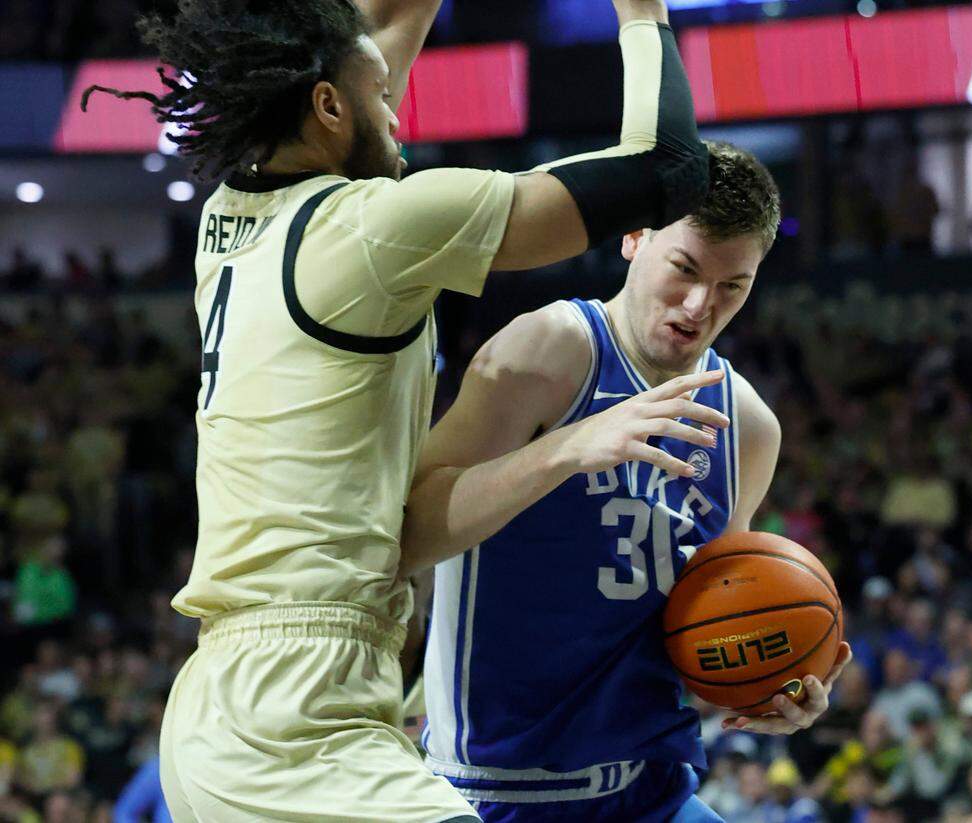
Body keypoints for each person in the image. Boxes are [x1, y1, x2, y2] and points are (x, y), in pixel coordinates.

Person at [82, 0, 710, 819]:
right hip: (294, 713)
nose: (398, 114)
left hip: (231, 703)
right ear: (328, 107)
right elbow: (667, 167)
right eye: (382, 97)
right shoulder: (372, 230)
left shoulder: (232, 218)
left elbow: (357, 48)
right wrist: (641, 11)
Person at [403, 142, 850, 821]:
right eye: (685, 268)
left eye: (734, 285)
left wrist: (768, 683)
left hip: (653, 790)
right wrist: (566, 448)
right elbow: (409, 530)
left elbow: (702, 628)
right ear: (635, 238)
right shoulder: (548, 351)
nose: (700, 304)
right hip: (498, 793)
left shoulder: (750, 428)